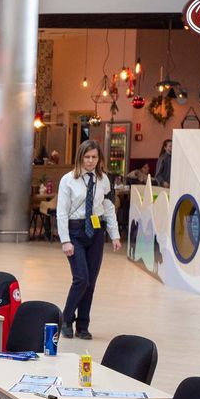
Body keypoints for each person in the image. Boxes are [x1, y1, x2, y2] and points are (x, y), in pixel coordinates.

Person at [57, 139, 122, 341]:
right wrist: (65, 240)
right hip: (75, 232)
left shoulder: (104, 180)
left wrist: (114, 234)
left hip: (96, 231)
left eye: (94, 157)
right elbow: (61, 212)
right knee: (81, 279)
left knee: (91, 283)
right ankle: (66, 319)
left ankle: (83, 325)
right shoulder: (68, 180)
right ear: (80, 157)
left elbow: (108, 208)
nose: (91, 161)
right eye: (87, 157)